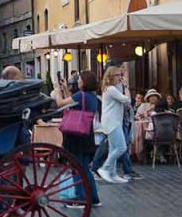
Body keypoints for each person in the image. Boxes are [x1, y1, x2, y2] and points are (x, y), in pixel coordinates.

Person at [54, 70, 101, 208]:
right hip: (87, 134)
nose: (78, 81)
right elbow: (73, 103)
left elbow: (61, 104)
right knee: (84, 167)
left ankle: (81, 198)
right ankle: (93, 197)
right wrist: (64, 88)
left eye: (80, 79)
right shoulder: (92, 97)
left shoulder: (81, 95)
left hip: (76, 136)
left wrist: (57, 91)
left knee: (78, 168)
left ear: (85, 82)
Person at [97, 66, 131, 184]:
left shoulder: (113, 88)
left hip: (114, 121)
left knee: (113, 148)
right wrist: (126, 87)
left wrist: (122, 86)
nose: (120, 77)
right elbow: (127, 100)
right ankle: (105, 168)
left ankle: (113, 173)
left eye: (120, 75)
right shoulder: (110, 89)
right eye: (117, 75)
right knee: (122, 147)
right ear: (111, 76)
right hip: (112, 122)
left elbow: (124, 103)